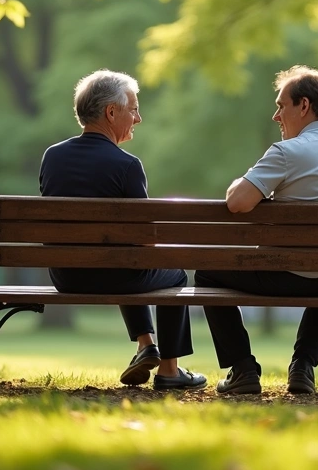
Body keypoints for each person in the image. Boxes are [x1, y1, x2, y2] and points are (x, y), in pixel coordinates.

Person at [196, 65, 318, 395]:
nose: (275, 116)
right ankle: (303, 366)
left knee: (208, 272)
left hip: (283, 272)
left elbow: (238, 203)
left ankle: (242, 368)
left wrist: (243, 180)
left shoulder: (286, 152)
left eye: (281, 105)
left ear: (304, 106)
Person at [39, 70, 206, 390]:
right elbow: (143, 239)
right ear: (111, 112)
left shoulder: (52, 156)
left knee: (124, 260)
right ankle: (170, 370)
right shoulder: (127, 165)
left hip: (66, 276)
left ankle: (146, 345)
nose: (139, 118)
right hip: (115, 273)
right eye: (133, 109)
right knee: (172, 271)